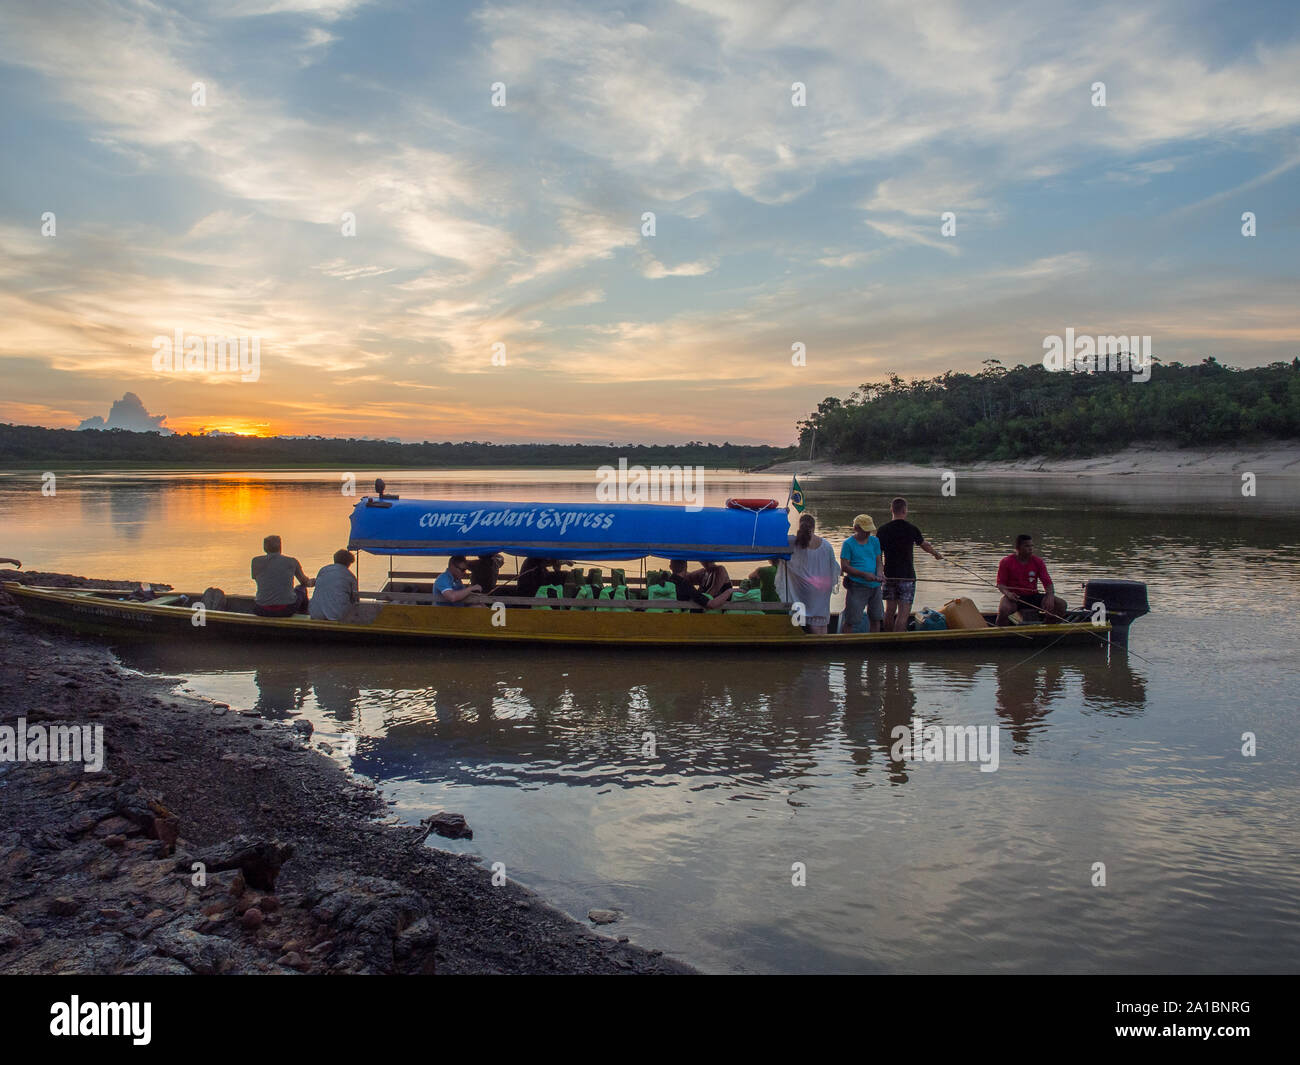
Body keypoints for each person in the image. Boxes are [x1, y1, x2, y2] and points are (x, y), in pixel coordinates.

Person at [877, 497, 943, 632]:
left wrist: (880, 571)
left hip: (889, 576)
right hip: (907, 576)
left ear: (891, 510)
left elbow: (878, 554)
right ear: (905, 511)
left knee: (889, 611)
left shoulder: (882, 530)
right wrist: (936, 554)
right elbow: (924, 545)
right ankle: (897, 644)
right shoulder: (911, 529)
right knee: (903, 614)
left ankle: (886, 642)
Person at [780, 513, 840, 634]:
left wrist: (783, 515)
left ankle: (802, 644)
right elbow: (835, 568)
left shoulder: (792, 542)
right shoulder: (826, 545)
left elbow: (776, 541)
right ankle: (822, 646)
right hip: (822, 589)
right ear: (814, 526)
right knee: (821, 620)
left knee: (800, 618)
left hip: (802, 589)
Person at [996, 534, 1067, 625]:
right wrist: (1008, 594)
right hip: (1014, 597)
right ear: (1018, 547)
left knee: (1061, 604)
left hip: (1033, 595)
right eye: (1027, 546)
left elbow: (1047, 582)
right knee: (1004, 609)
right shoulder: (1006, 562)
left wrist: (1050, 596)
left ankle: (1046, 627)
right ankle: (1001, 630)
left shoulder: (1038, 561)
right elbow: (1001, 585)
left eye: (1031, 546)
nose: (1030, 549)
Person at [839, 514, 884, 633]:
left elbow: (879, 562)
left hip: (875, 587)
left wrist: (880, 574)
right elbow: (844, 566)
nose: (868, 533)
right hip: (857, 586)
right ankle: (845, 645)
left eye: (870, 530)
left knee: (876, 618)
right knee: (851, 620)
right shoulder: (848, 544)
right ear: (856, 528)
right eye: (865, 530)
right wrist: (864, 574)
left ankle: (874, 646)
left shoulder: (875, 541)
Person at [251, 535, 313, 617]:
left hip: (261, 609)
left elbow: (255, 577)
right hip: (286, 610)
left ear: (265, 548)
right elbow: (304, 582)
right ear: (280, 547)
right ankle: (304, 616)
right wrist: (313, 582)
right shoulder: (292, 561)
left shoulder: (256, 561)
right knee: (301, 588)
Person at [309, 549, 360, 621]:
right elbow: (356, 599)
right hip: (338, 616)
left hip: (316, 614)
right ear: (349, 563)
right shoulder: (350, 576)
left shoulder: (323, 570)